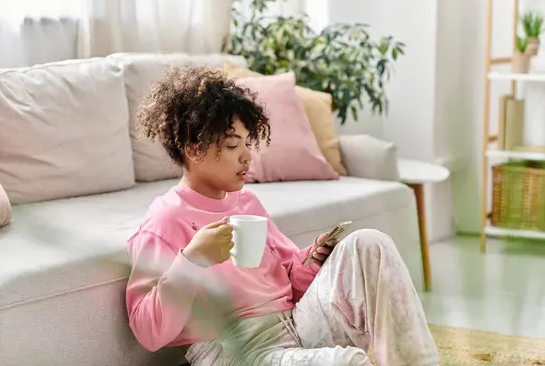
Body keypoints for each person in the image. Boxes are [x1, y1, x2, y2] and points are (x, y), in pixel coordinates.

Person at [125, 65, 439, 366]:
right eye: (234, 145)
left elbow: (290, 279)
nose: (248, 155)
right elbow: (147, 331)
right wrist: (192, 261)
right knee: (346, 362)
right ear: (194, 149)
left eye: (249, 143)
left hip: (296, 324)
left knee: (370, 244)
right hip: (235, 350)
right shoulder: (165, 221)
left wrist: (313, 259)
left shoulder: (246, 204)